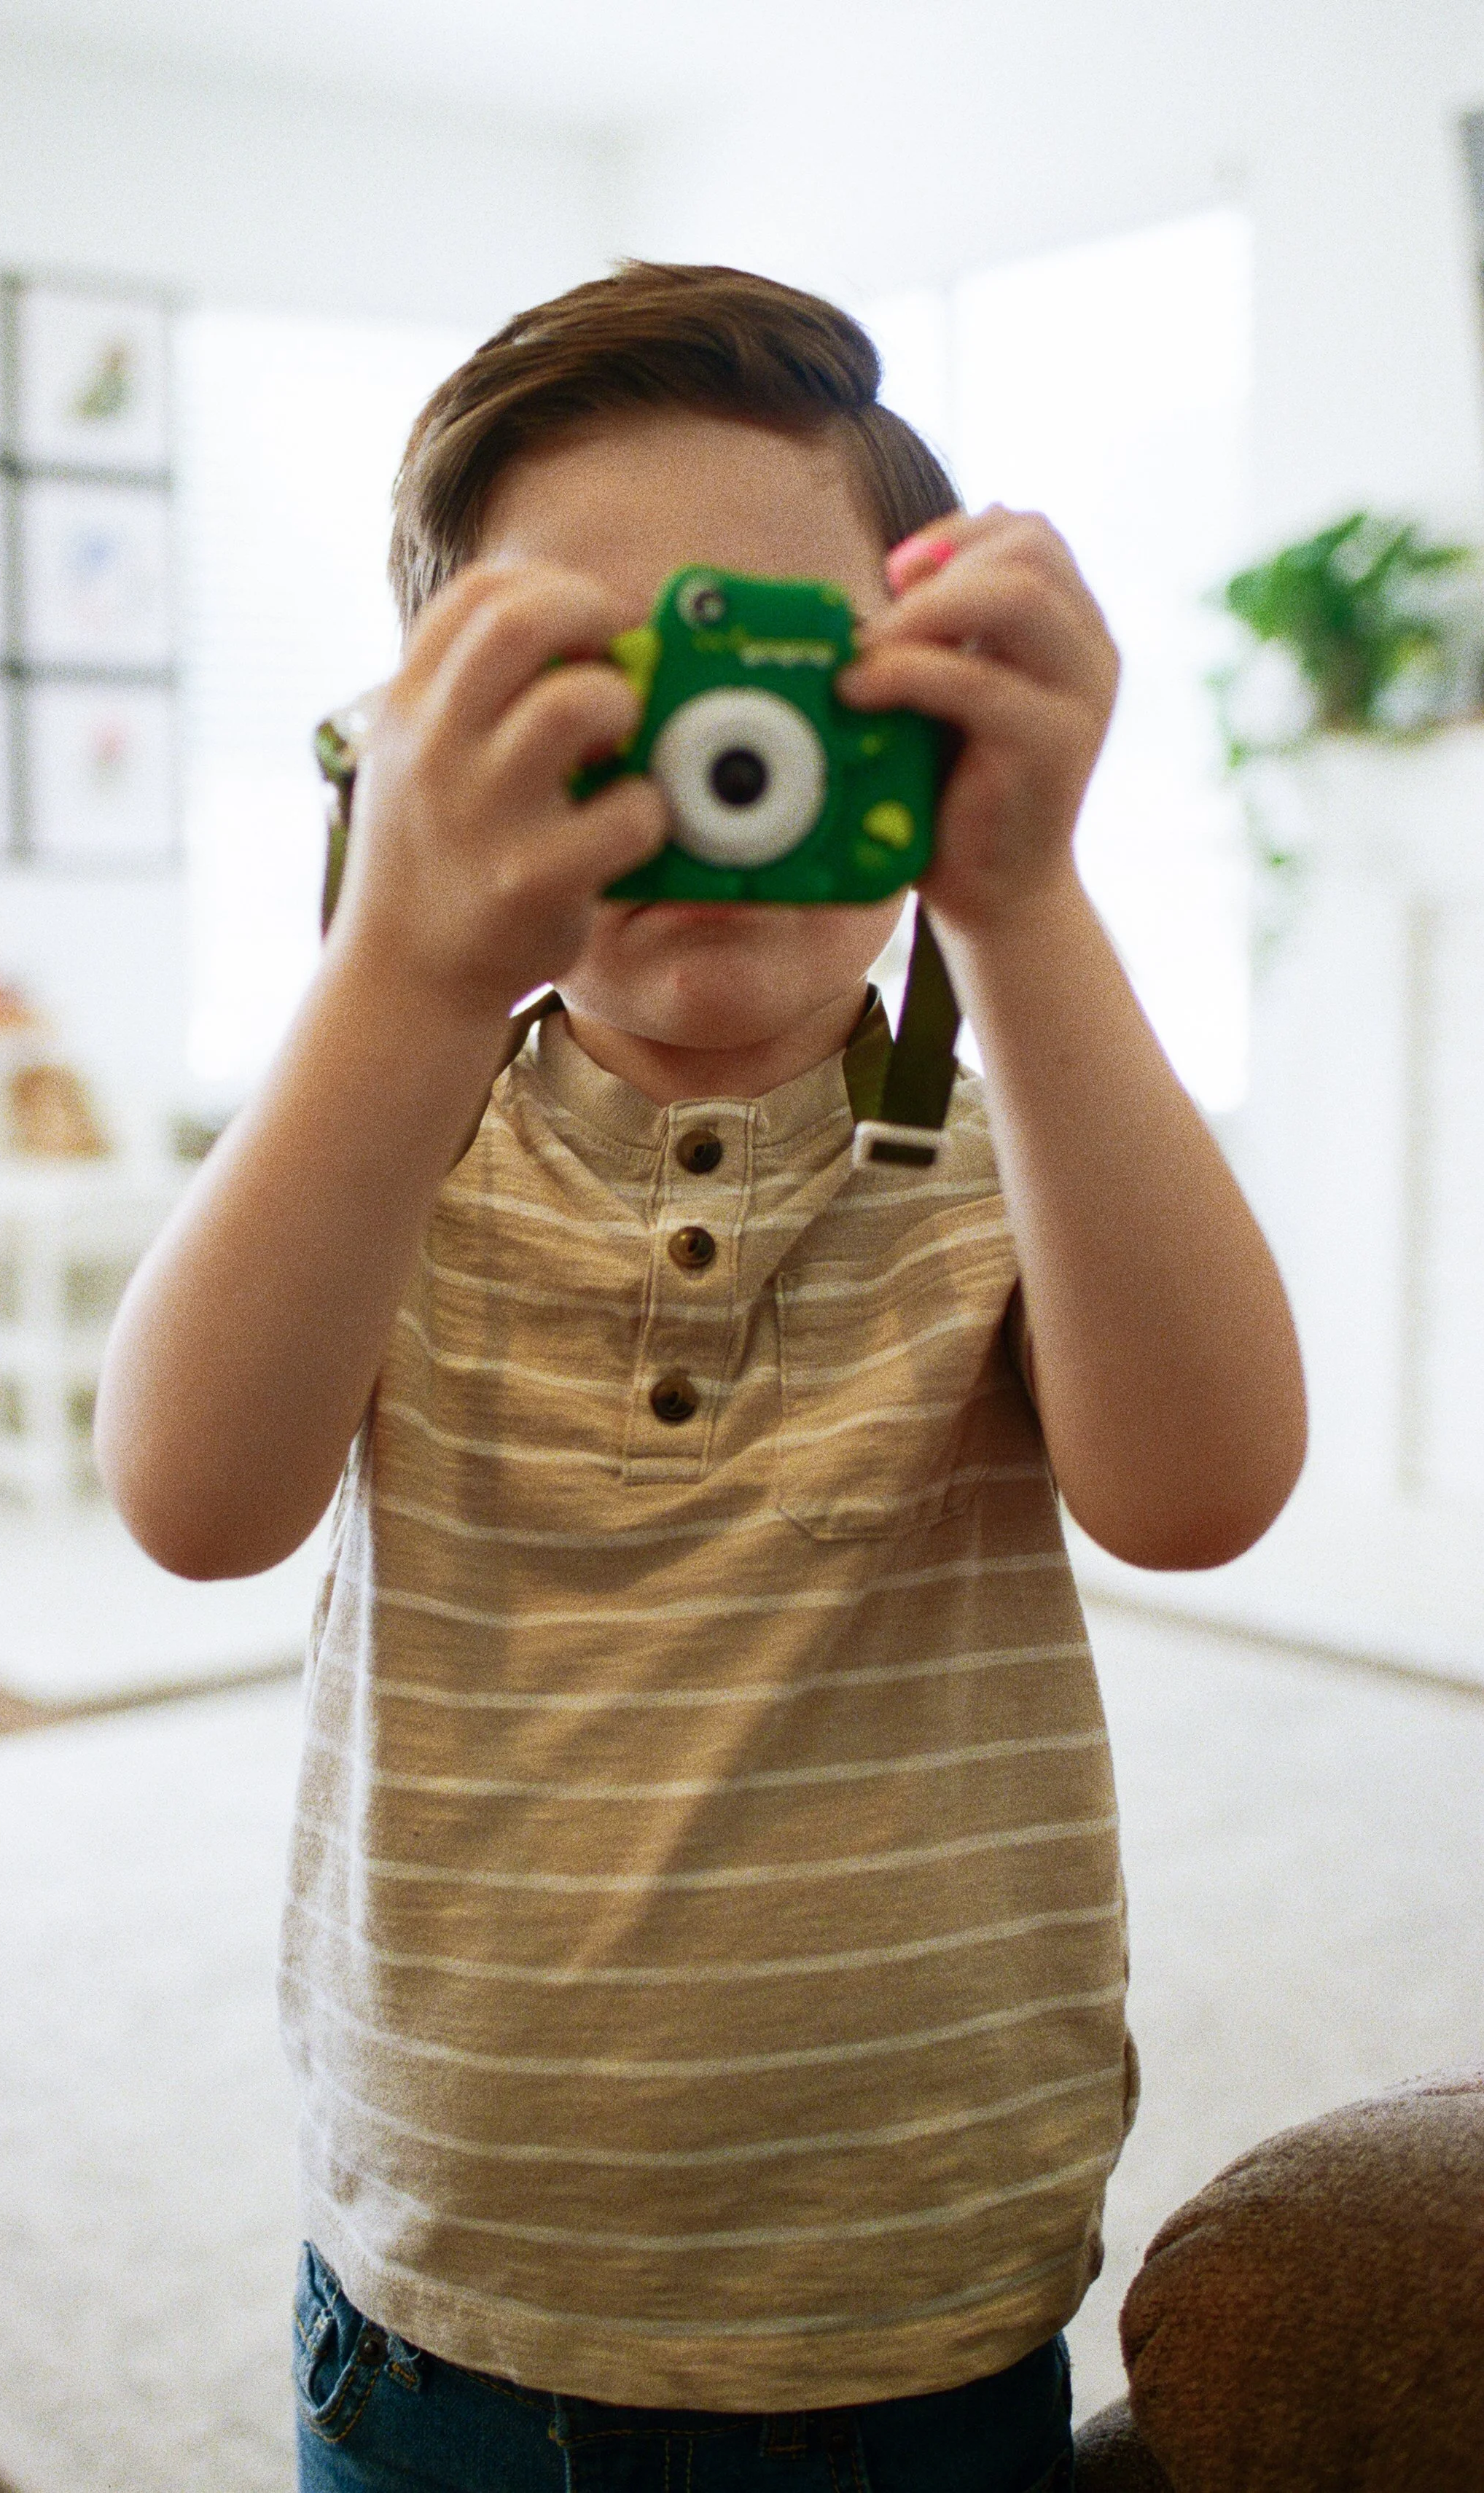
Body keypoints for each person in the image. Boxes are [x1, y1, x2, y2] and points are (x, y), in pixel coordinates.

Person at [95, 262, 1307, 2492]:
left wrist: (1023, 904)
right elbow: (188, 1494)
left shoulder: (1020, 1124)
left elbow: (1206, 1485)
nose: (692, 767)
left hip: (919, 2291)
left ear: (935, 711)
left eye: (772, 683)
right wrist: (397, 964)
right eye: (584, 696)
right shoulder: (401, 1124)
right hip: (447, 2302)